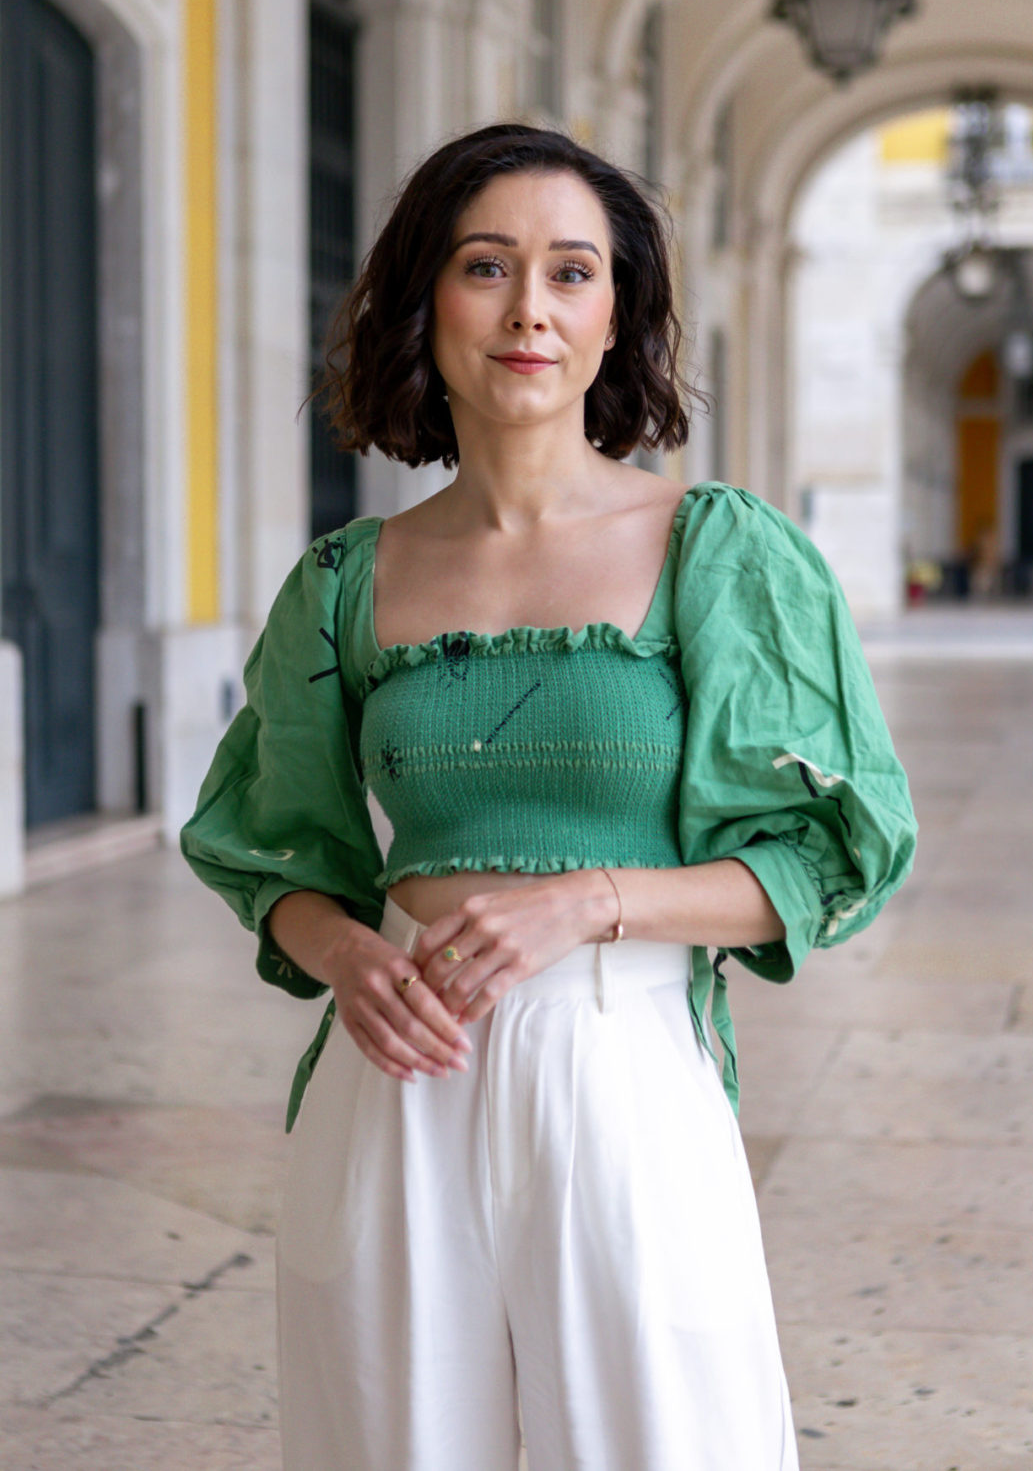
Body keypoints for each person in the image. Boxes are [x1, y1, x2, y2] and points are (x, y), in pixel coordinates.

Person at [180, 123, 917, 1471]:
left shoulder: (724, 555)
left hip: (624, 1066)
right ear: (425, 303)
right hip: (399, 1071)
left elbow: (831, 855)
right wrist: (346, 952)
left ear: (616, 316)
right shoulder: (345, 579)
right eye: (486, 266)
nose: (530, 309)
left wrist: (589, 903)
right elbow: (265, 846)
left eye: (572, 272)